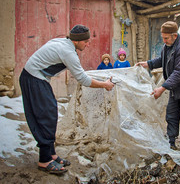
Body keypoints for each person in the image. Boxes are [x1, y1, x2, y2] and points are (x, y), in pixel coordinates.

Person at [19, 24, 114, 174]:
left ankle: (52, 154)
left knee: (49, 113)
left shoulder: (63, 42)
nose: (88, 44)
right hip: (33, 78)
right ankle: (44, 160)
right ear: (76, 41)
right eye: (85, 41)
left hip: (36, 77)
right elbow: (83, 79)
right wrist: (105, 85)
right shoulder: (68, 52)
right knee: (46, 116)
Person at [137, 21, 180, 150]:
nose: (164, 41)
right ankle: (171, 144)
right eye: (163, 38)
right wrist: (148, 64)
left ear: (175, 36)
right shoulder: (167, 46)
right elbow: (162, 60)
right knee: (171, 115)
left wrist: (162, 88)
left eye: (166, 38)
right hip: (176, 87)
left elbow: (178, 73)